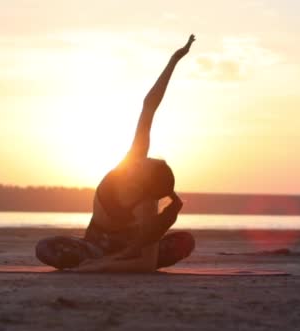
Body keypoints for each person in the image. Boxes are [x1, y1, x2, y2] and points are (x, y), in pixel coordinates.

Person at [35, 34, 197, 272]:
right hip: (94, 245)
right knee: (45, 248)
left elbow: (146, 262)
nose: (143, 159)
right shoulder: (133, 159)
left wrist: (98, 267)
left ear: (143, 182)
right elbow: (149, 105)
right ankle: (111, 261)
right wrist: (173, 61)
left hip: (128, 251)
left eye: (147, 164)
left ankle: (115, 262)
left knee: (185, 241)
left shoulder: (146, 205)